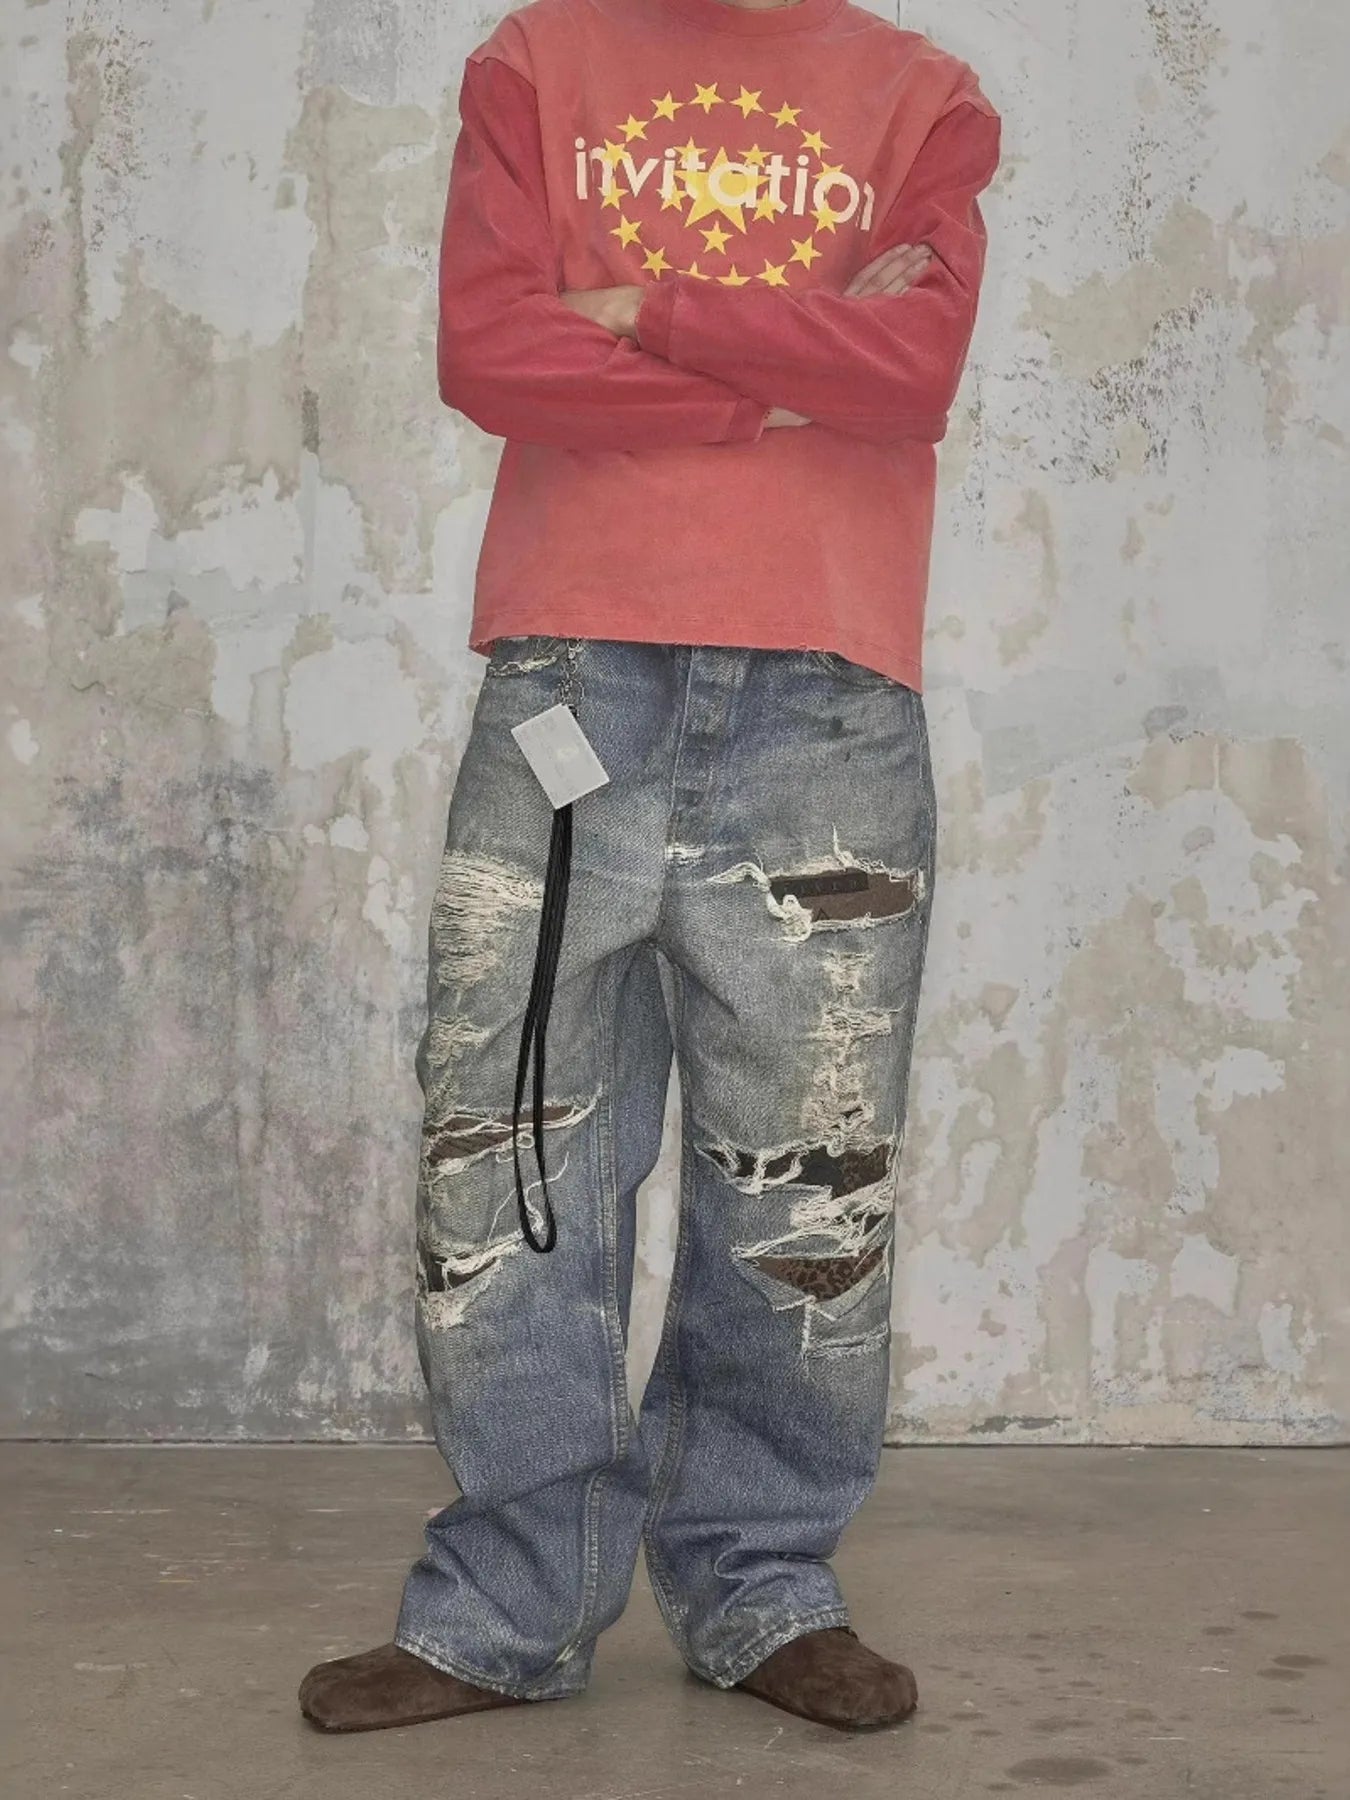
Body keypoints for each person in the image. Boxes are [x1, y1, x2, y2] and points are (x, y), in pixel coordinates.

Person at [298, 0, 1000, 1736]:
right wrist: (792, 375)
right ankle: (507, 1607)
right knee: (508, 1155)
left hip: (828, 694)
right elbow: (492, 354)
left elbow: (911, 373)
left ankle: (761, 1585)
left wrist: (642, 312)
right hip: (572, 678)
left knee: (804, 1180)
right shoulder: (537, 64)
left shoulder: (919, 96)